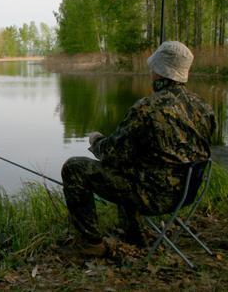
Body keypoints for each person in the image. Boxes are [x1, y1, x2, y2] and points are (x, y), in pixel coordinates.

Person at [60, 41, 216, 255]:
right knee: (132, 164)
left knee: (74, 168)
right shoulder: (204, 108)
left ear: (160, 72)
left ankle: (91, 244)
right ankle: (134, 235)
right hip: (186, 193)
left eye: (154, 68)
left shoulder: (147, 108)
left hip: (153, 196)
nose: (151, 72)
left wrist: (96, 141)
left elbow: (111, 154)